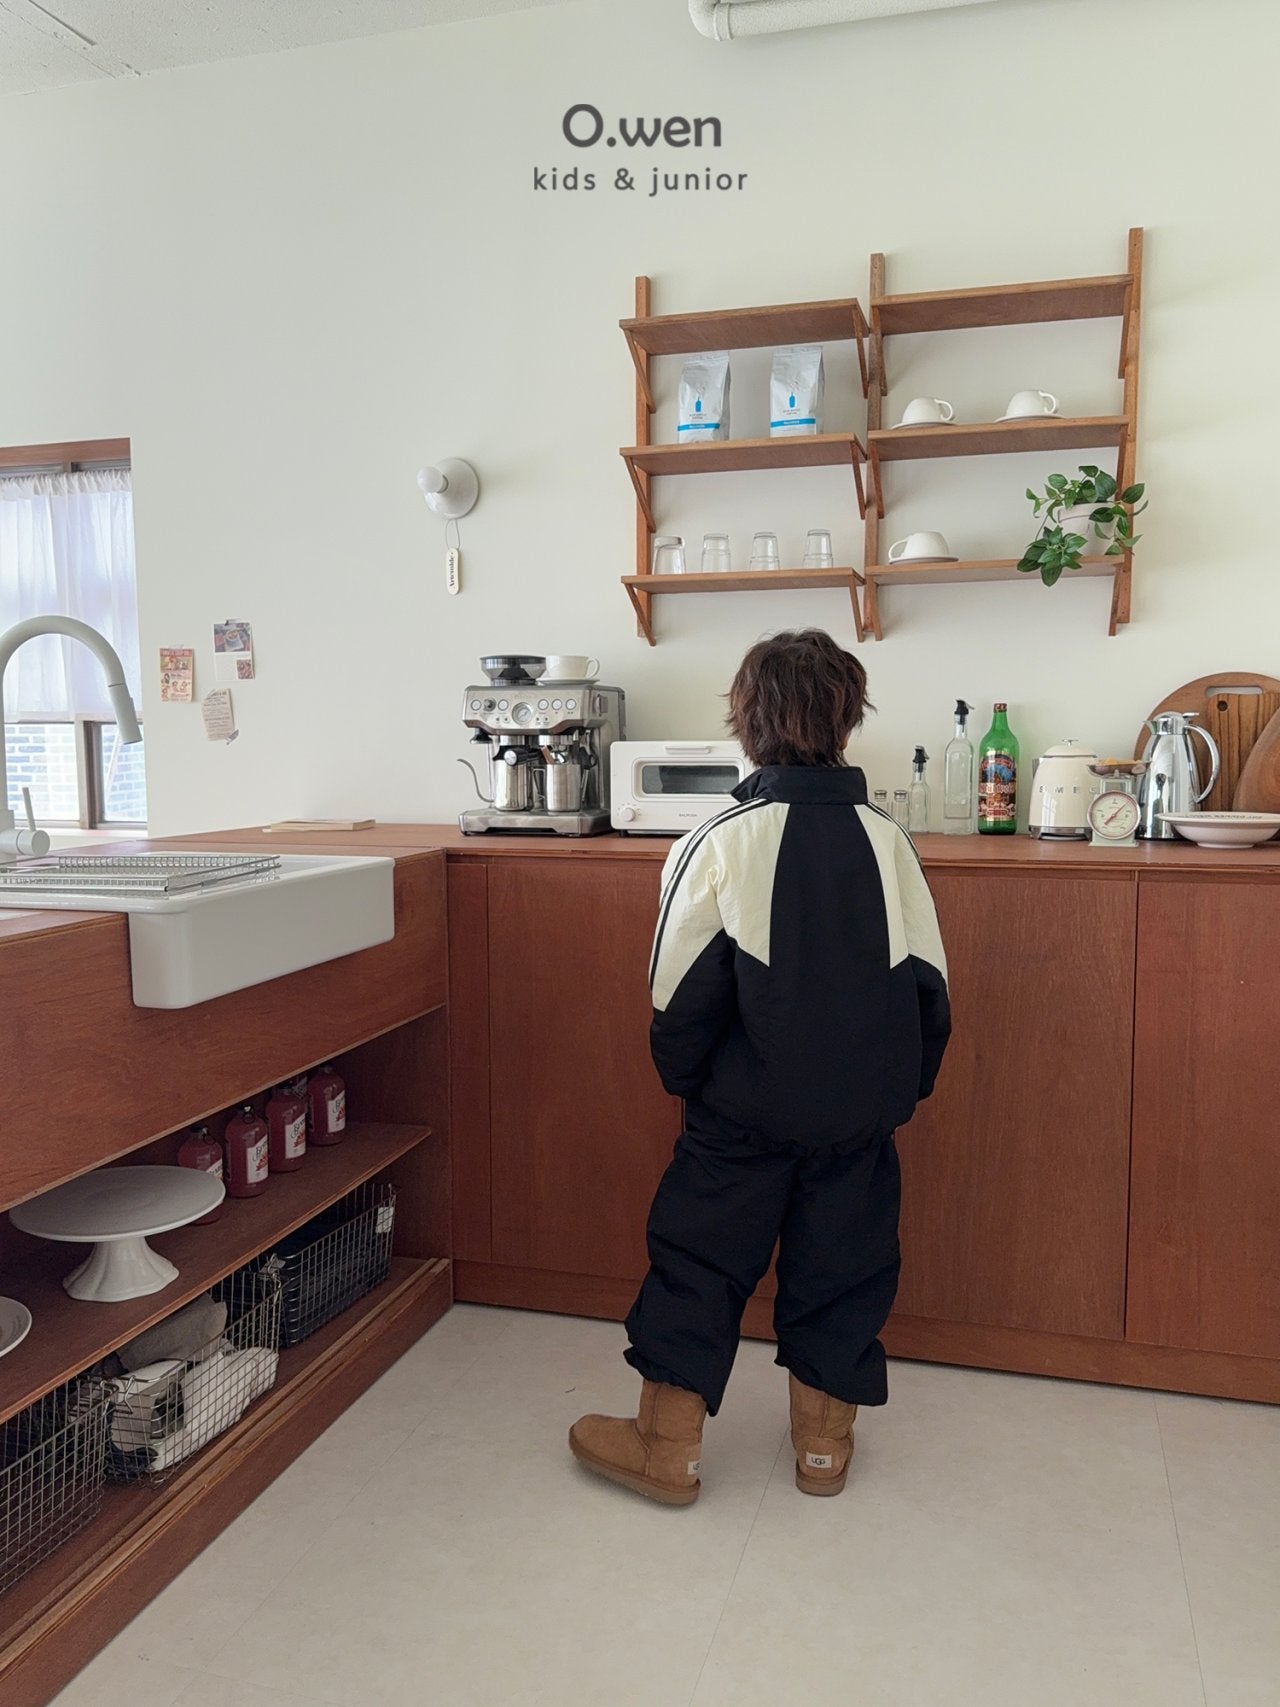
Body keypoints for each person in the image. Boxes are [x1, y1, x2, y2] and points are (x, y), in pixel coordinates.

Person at [570, 629, 951, 1505]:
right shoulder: (890, 840)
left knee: (698, 1263)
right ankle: (823, 1449)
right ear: (847, 721)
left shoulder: (717, 839)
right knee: (844, 1268)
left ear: (746, 722)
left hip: (739, 1118)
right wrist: (891, 1096)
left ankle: (666, 1449)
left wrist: (692, 1087)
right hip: (857, 1120)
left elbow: (677, 997)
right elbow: (931, 990)